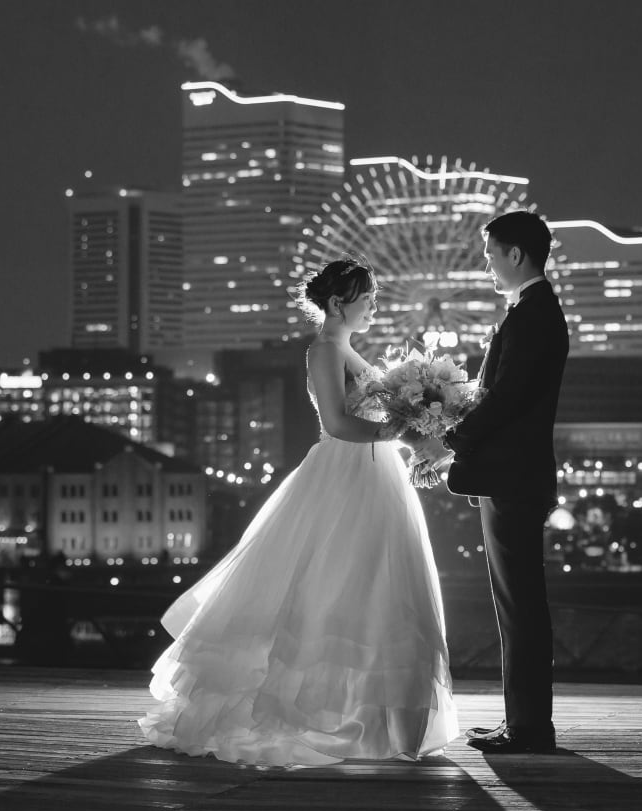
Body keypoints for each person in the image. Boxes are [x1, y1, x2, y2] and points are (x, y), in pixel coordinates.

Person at [139, 259, 458, 767]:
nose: (374, 304)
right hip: (344, 478)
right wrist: (402, 432)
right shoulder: (324, 352)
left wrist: (423, 440)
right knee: (332, 587)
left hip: (377, 478)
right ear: (337, 303)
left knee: (381, 589)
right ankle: (322, 715)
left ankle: (382, 724)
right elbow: (337, 423)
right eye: (367, 296)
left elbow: (378, 421)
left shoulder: (351, 350)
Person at [421, 210, 569, 754]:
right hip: (513, 476)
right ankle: (524, 722)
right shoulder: (532, 311)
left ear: (516, 254)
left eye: (490, 254)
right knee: (517, 603)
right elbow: (499, 396)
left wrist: (448, 443)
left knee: (520, 604)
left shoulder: (532, 315)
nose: (485, 264)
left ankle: (529, 727)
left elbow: (505, 398)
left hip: (514, 477)